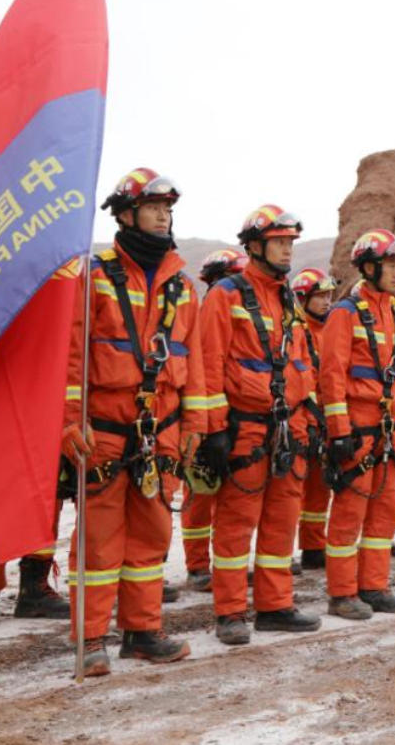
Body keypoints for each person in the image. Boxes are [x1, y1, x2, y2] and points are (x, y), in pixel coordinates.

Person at [61, 168, 209, 675]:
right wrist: (69, 420)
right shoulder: (94, 277)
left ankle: (143, 633)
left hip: (161, 433)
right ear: (126, 215)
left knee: (151, 539)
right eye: (153, 208)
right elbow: (70, 356)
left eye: (167, 209)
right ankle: (90, 640)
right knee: (99, 540)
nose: (163, 216)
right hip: (102, 432)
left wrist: (195, 426)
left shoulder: (183, 287)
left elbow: (194, 361)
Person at [199, 205, 321, 645]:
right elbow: (209, 362)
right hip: (245, 428)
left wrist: (311, 414)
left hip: (289, 429)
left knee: (281, 522)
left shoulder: (287, 297)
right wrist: (214, 430)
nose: (287, 250)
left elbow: (301, 360)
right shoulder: (226, 295)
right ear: (254, 246)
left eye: (290, 243)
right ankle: (230, 613)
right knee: (236, 524)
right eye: (279, 243)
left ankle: (275, 607)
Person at [318, 229, 395, 617]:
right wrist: (339, 432)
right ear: (370, 267)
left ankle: (374, 587)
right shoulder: (345, 312)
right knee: (349, 514)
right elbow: (332, 374)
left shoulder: (394, 313)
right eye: (390, 265)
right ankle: (342, 593)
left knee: (385, 511)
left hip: (388, 432)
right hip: (358, 431)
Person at [181, 249, 247, 593]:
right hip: (203, 421)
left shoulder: (243, 316)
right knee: (199, 496)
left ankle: (226, 565)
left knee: (229, 499)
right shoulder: (204, 314)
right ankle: (196, 567)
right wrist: (204, 428)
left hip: (233, 420)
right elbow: (202, 371)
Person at [291, 267, 338, 576]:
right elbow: (302, 378)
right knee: (295, 489)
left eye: (328, 296)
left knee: (321, 488)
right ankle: (290, 549)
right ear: (303, 299)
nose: (326, 302)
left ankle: (313, 548)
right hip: (305, 418)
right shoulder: (297, 331)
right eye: (320, 296)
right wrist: (309, 422)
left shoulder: (330, 330)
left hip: (326, 419)